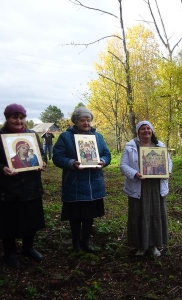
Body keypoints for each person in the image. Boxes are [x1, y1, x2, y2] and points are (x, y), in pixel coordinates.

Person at [53, 107, 111, 253]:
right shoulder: (65, 137)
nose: (86, 123)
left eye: (88, 120)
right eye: (82, 120)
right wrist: (71, 163)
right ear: (75, 121)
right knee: (75, 216)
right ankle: (76, 243)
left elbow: (106, 154)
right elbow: (57, 157)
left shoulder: (98, 137)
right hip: (75, 183)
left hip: (93, 183)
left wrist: (103, 161)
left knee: (89, 215)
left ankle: (86, 241)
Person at [0, 103, 47, 268]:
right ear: (7, 118)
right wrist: (2, 168)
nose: (19, 121)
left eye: (22, 117)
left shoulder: (31, 135)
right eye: (15, 117)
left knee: (30, 219)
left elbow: (41, 154)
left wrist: (42, 163)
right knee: (9, 222)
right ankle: (10, 253)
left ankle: (28, 248)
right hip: (8, 189)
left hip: (32, 186)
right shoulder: (1, 135)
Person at [120, 121, 172, 257]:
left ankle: (154, 245)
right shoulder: (130, 146)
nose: (146, 131)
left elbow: (168, 162)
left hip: (155, 187)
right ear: (138, 132)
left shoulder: (159, 146)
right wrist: (134, 174)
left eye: (149, 128)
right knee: (138, 214)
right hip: (138, 186)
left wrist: (168, 171)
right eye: (143, 129)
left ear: (152, 131)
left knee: (155, 214)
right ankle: (140, 246)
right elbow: (123, 165)